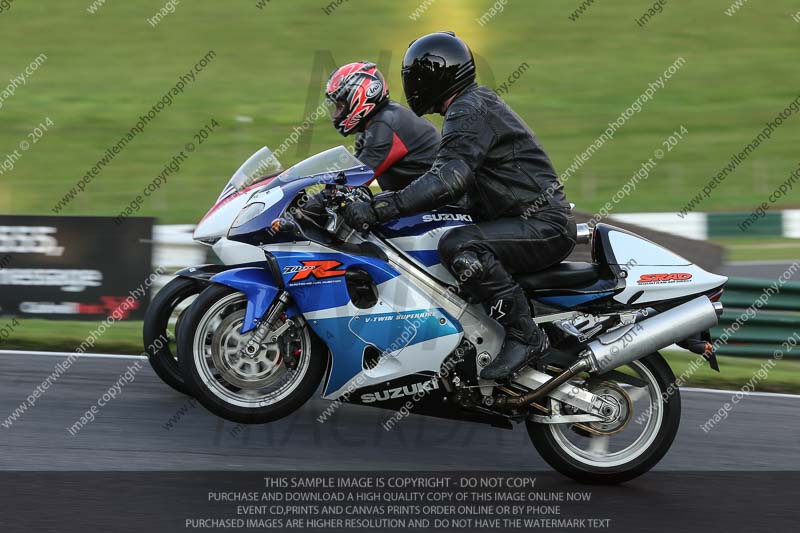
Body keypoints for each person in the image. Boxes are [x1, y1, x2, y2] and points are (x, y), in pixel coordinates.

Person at [342, 32, 577, 381]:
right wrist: (382, 200)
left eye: (415, 76)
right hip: (524, 219)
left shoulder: (469, 109)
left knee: (458, 245)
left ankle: (525, 337)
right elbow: (452, 183)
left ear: (435, 76)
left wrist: (381, 208)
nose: (410, 84)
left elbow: (447, 179)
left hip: (542, 224)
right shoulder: (470, 105)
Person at [325, 61, 440, 191]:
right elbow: (349, 173)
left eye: (340, 106)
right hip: (427, 198)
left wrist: (315, 201)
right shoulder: (374, 123)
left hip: (443, 203)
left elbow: (354, 181)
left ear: (360, 97)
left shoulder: (385, 125)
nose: (335, 115)